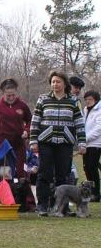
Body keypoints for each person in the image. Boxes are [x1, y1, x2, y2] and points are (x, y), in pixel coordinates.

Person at [29, 70, 86, 216]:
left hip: (65, 143)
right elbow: (35, 121)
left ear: (65, 83)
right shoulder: (43, 99)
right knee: (44, 173)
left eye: (58, 81)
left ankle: (63, 208)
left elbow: (79, 123)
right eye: (53, 81)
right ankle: (42, 206)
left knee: (64, 175)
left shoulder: (73, 101)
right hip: (45, 142)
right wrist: (33, 140)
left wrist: (82, 143)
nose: (55, 84)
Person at [0, 78, 32, 179]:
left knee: (21, 169)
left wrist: (26, 131)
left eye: (13, 95)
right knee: (5, 170)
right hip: (3, 142)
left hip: (19, 142)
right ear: (3, 94)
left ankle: (23, 190)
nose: (11, 98)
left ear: (16, 93)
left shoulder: (22, 105)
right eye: (8, 96)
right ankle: (6, 191)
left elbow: (30, 120)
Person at [82, 90, 101, 202]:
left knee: (92, 168)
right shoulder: (86, 110)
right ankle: (90, 192)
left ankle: (96, 193)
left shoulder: (99, 110)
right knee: (86, 168)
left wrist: (86, 138)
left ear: (96, 100)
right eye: (86, 100)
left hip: (96, 143)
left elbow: (99, 128)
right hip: (86, 144)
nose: (88, 102)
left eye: (90, 99)